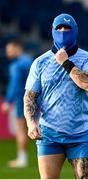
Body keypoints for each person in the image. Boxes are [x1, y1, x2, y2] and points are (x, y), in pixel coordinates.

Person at [24, 13, 88, 179]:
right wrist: (30, 123)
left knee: (85, 178)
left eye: (67, 28)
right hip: (49, 134)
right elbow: (30, 97)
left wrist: (66, 62)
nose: (63, 32)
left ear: (75, 31)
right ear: (52, 31)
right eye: (59, 28)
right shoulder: (40, 62)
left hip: (81, 133)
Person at [1, 40, 32, 168]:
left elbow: (14, 85)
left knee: (21, 129)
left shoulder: (16, 65)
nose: (7, 53)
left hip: (22, 99)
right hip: (36, 98)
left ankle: (22, 159)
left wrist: (8, 101)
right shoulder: (29, 60)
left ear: (17, 48)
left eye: (9, 50)